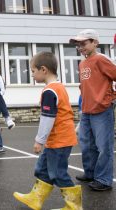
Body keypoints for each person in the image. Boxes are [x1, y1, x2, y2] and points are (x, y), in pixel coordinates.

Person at [13, 52, 82, 210]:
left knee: (58, 173)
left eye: (32, 71)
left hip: (60, 140)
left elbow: (48, 117)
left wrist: (39, 140)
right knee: (42, 168)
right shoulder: (58, 87)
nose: (31, 74)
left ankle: (74, 206)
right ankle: (35, 199)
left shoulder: (50, 91)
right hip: (56, 140)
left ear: (43, 70)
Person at [70, 29, 116, 191]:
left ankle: (103, 179)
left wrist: (110, 97)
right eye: (78, 45)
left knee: (104, 146)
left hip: (102, 110)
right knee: (87, 144)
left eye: (84, 43)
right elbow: (85, 87)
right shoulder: (82, 63)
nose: (80, 47)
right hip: (87, 110)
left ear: (95, 42)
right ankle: (90, 173)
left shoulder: (101, 59)